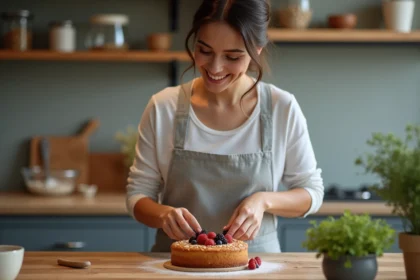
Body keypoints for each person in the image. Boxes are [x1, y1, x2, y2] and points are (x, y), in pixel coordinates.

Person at [126, 0, 324, 253]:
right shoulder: (163, 107)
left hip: (257, 268)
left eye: (232, 56)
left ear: (257, 50)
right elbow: (137, 196)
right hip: (175, 267)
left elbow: (311, 192)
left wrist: (263, 201)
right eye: (205, 51)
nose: (215, 67)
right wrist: (164, 216)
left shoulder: (281, 107)